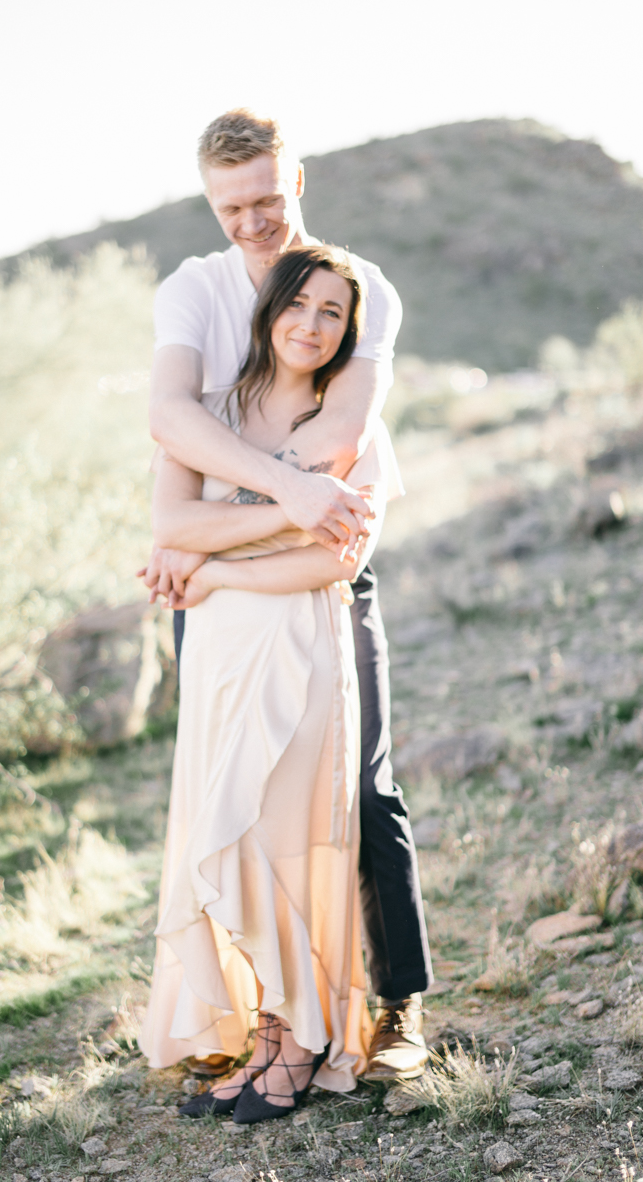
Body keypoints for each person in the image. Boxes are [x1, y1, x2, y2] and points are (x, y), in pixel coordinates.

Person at [141, 110, 433, 1082]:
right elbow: (169, 416)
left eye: (267, 197)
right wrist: (277, 500)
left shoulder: (355, 290)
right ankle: (258, 1014)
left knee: (359, 785)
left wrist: (239, 524)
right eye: (231, 206)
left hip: (318, 566)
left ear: (296, 181)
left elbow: (340, 438)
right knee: (229, 794)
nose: (252, 220)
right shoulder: (194, 288)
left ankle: (391, 1008)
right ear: (209, 201)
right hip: (224, 579)